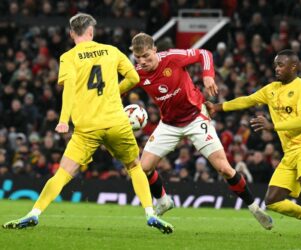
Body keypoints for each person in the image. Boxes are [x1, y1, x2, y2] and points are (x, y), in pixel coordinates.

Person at [2, 13, 173, 234]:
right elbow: (134, 78)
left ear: (72, 33)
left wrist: (63, 120)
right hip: (116, 123)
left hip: (87, 127)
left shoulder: (68, 57)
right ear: (91, 31)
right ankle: (150, 213)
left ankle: (34, 213)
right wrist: (114, 92)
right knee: (134, 167)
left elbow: (69, 89)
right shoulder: (111, 51)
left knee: (63, 173)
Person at [119, 32, 273, 230]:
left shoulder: (172, 58)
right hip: (169, 125)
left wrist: (208, 76)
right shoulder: (137, 73)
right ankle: (163, 200)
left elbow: (205, 54)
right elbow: (117, 91)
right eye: (138, 58)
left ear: (155, 50)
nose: (143, 61)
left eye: (146, 56)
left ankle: (254, 208)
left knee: (224, 169)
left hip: (195, 117)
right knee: (144, 168)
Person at [205, 49, 301, 240]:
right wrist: (218, 107)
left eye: (281, 65)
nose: (277, 68)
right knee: (272, 200)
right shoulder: (271, 89)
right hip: (289, 153)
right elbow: (247, 100)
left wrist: (273, 126)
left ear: (293, 66)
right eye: (276, 65)